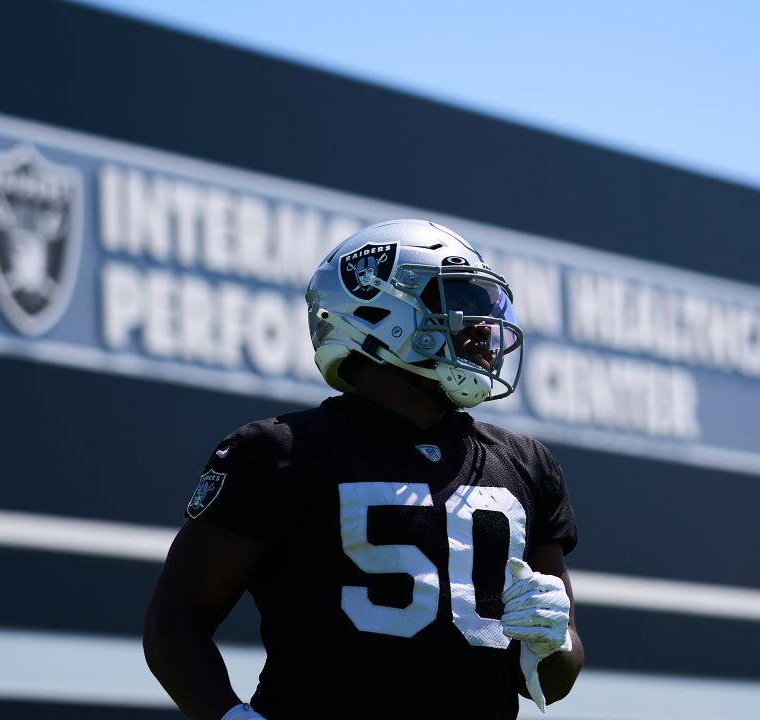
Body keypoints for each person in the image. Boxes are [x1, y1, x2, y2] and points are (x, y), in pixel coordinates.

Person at [144, 219, 583, 719]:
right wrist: (226, 716)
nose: (484, 326)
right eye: (461, 301)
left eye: (488, 306)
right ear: (379, 310)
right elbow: (176, 620)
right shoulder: (282, 451)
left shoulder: (526, 465)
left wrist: (553, 642)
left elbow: (552, 684)